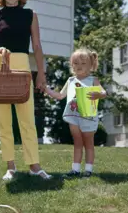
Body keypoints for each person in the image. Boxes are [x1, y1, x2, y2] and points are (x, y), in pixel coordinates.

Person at [0, 0, 51, 181]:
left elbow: (37, 46)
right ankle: (10, 167)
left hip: (22, 67)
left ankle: (34, 166)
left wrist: (41, 74)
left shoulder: (31, 14)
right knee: (3, 121)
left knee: (27, 119)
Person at [44, 48, 106, 177]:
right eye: (76, 63)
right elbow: (60, 96)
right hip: (73, 116)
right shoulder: (71, 80)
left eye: (83, 63)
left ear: (91, 65)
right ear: (72, 65)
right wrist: (46, 89)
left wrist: (98, 94)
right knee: (77, 142)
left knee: (88, 143)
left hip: (88, 116)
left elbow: (103, 92)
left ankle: (88, 170)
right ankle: (75, 170)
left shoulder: (93, 80)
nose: (79, 66)